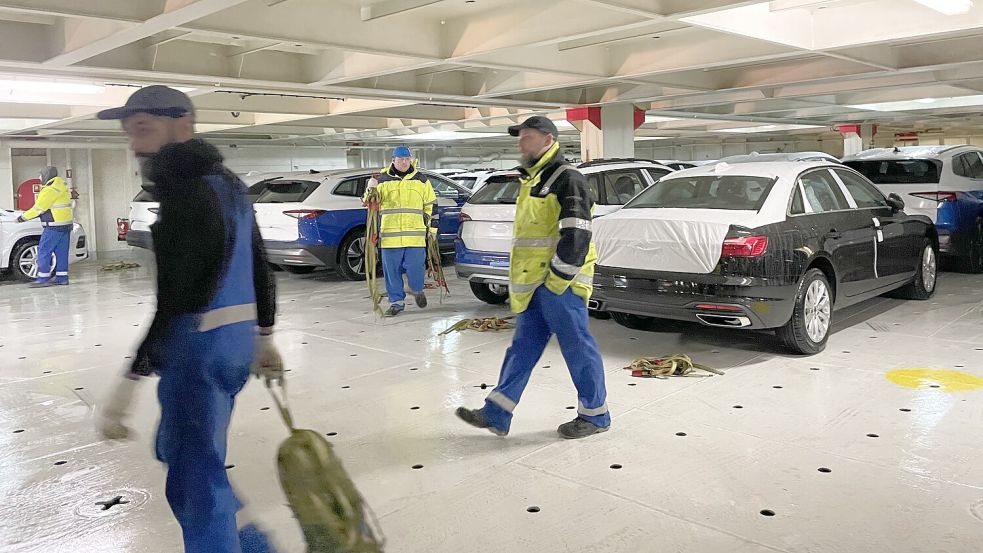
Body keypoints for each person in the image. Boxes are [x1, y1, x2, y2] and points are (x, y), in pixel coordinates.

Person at [94, 85, 284, 553]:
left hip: (198, 346)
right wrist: (263, 335)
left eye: (143, 128)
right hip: (234, 341)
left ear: (183, 124)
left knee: (193, 478)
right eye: (129, 131)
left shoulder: (186, 191)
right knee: (179, 447)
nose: (135, 143)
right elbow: (258, 262)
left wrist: (132, 377)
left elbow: (179, 294)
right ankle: (252, 542)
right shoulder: (229, 184)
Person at [456, 116, 610, 440]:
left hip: (560, 285)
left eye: (527, 136)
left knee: (577, 348)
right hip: (534, 285)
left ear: (548, 139)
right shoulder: (531, 180)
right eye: (520, 137)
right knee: (522, 347)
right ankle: (497, 412)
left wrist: (556, 280)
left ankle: (596, 416)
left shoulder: (566, 178)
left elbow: (577, 236)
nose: (520, 142)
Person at [365, 145, 437, 317]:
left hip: (415, 236)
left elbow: (431, 205)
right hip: (390, 237)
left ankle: (416, 289)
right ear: (393, 160)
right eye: (400, 159)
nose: (404, 162)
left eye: (407, 159)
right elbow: (370, 204)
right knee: (392, 272)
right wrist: (370, 188)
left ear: (411, 159)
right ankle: (396, 303)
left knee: (415, 268)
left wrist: (432, 229)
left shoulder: (421, 180)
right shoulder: (382, 180)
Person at [17, 166, 73, 287]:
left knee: (44, 251)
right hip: (66, 225)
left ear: (46, 175)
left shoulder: (49, 190)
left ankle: (43, 278)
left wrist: (22, 218)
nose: (39, 178)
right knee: (62, 252)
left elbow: (38, 209)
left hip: (53, 226)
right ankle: (62, 278)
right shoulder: (62, 187)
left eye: (41, 175)